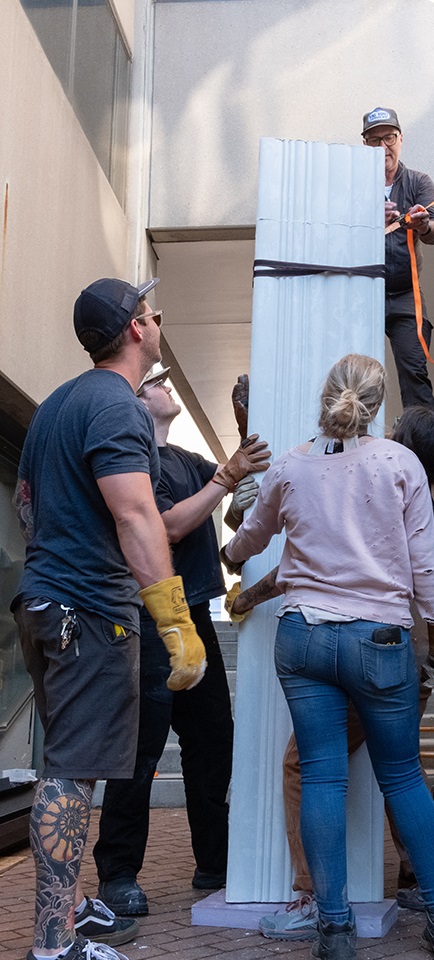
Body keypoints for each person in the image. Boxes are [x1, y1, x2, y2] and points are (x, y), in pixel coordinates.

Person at [221, 356, 434, 960]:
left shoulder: (291, 467)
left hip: (302, 638)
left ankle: (333, 928)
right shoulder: (400, 463)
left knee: (321, 777)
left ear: (325, 397)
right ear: (376, 406)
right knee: (404, 777)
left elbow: (248, 541)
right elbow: (426, 574)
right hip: (379, 643)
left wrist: (231, 555)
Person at [11, 277, 208, 960]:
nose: (159, 320)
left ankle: (63, 910)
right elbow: (136, 515)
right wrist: (176, 624)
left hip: (46, 603)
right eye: (152, 312)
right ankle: (53, 941)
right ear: (134, 329)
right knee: (69, 773)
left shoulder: (59, 406)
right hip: (89, 612)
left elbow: (27, 506)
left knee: (72, 764)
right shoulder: (116, 406)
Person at [92, 364, 270, 915]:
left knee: (213, 745)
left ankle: (214, 862)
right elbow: (166, 525)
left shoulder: (189, 462)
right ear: (135, 401)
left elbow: (241, 492)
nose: (165, 380)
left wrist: (249, 423)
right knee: (139, 753)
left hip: (192, 616)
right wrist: (226, 478)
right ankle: (118, 874)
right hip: (145, 620)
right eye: (154, 381)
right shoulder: (134, 459)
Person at [362, 107, 434, 412]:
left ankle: (420, 448)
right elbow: (334, 236)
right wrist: (368, 218)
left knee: (415, 372)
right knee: (356, 375)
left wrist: (422, 224)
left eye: (389, 137)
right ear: (365, 145)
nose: (383, 146)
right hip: (363, 292)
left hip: (406, 294)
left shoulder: (418, 181)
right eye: (374, 140)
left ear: (400, 139)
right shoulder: (352, 187)